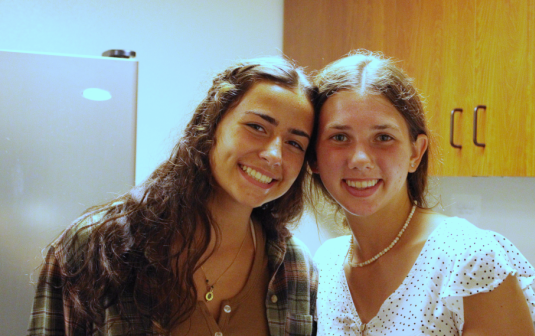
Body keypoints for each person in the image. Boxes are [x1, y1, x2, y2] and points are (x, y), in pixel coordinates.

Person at [27, 56, 318, 336]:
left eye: (294, 143)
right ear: (211, 125)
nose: (273, 155)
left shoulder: (295, 268)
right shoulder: (95, 247)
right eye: (256, 127)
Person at [308, 50, 535, 335]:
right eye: (339, 137)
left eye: (383, 137)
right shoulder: (326, 265)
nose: (360, 159)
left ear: (415, 153)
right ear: (314, 158)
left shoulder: (470, 261)